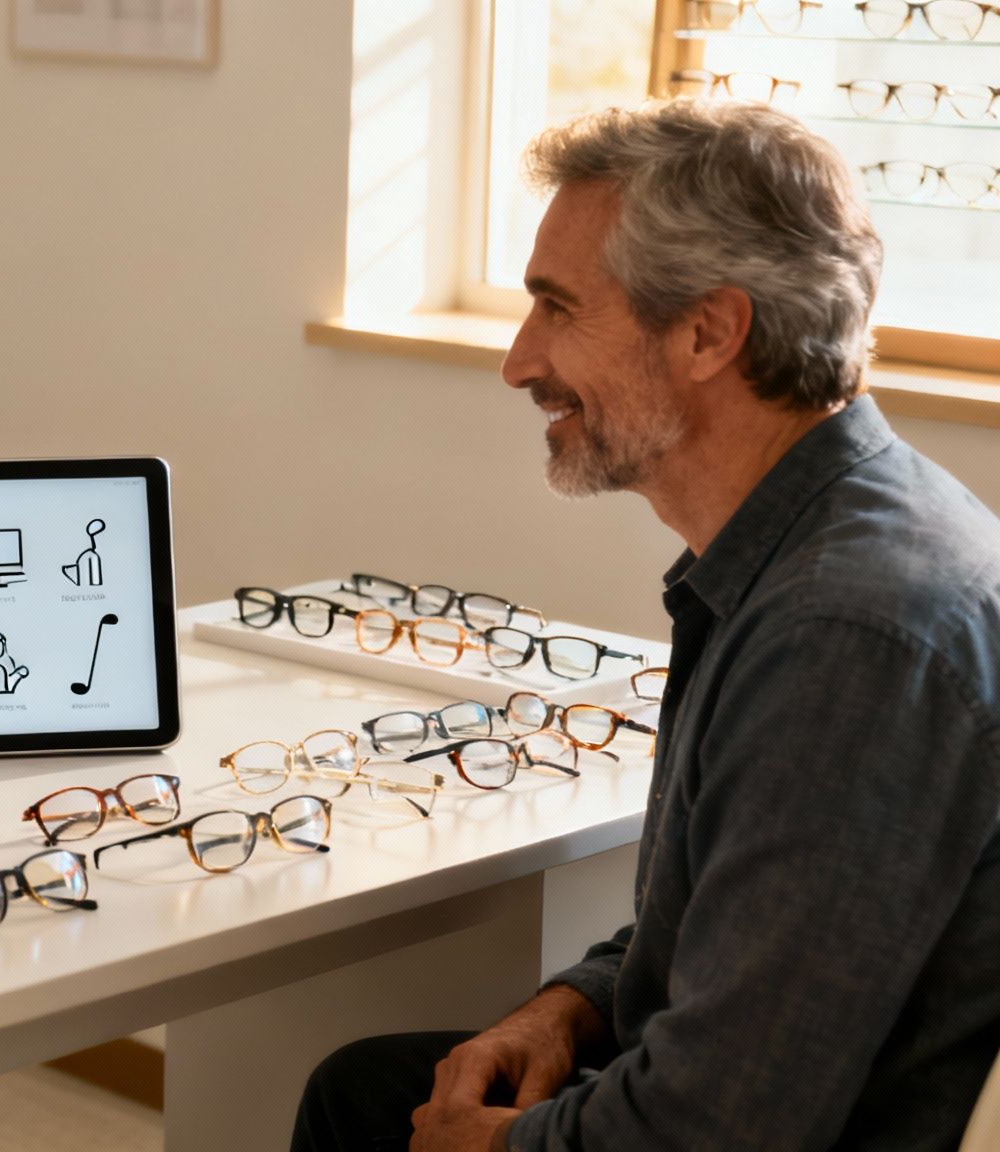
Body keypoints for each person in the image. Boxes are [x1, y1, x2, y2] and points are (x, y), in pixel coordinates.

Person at [292, 101, 1000, 1151]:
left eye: (555, 308)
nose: (517, 361)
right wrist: (567, 1006)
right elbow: (738, 934)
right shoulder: (818, 544)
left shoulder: (844, 636)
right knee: (363, 1087)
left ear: (709, 332)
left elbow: (723, 1121)